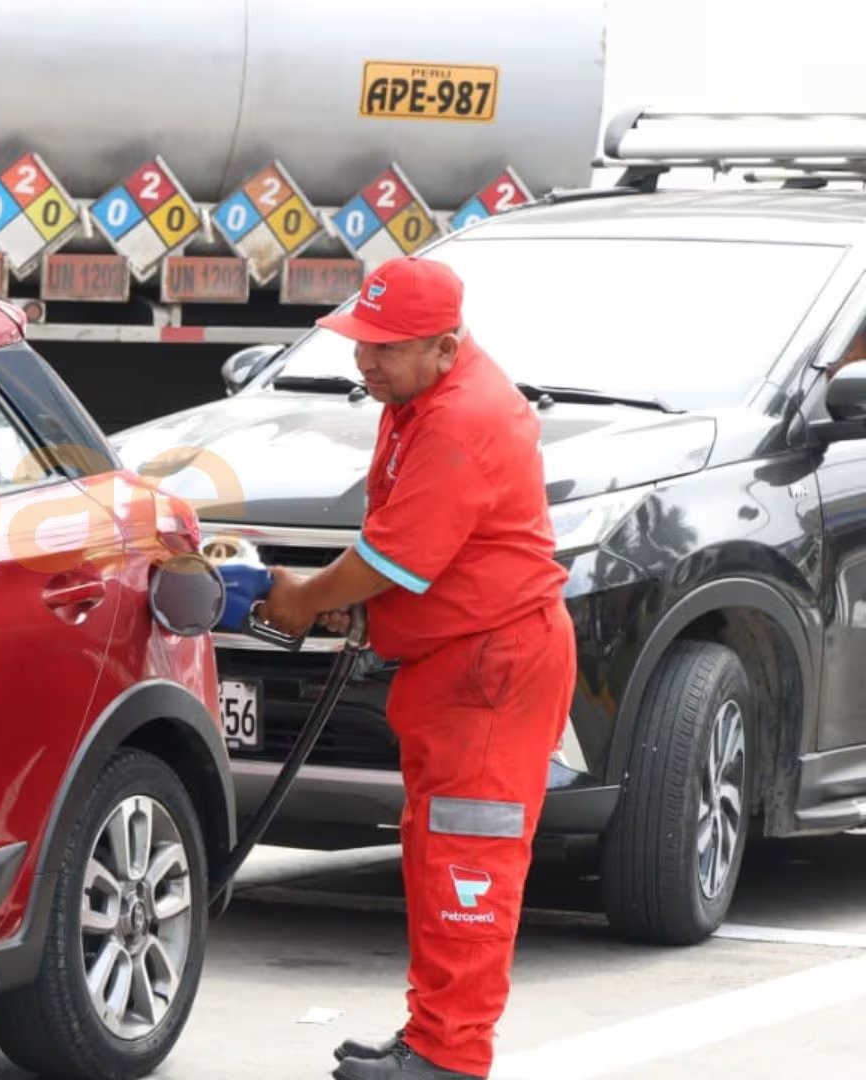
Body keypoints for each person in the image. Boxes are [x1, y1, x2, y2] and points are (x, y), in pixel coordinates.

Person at [255, 257, 576, 1080]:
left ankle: (450, 1056)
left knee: (469, 859)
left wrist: (306, 600)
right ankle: (432, 1035)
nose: (364, 361)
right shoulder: (418, 397)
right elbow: (412, 547)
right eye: (359, 341)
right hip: (458, 661)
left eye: (385, 348)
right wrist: (363, 607)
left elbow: (392, 557)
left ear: (444, 347)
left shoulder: (461, 419)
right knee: (439, 852)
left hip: (491, 666)